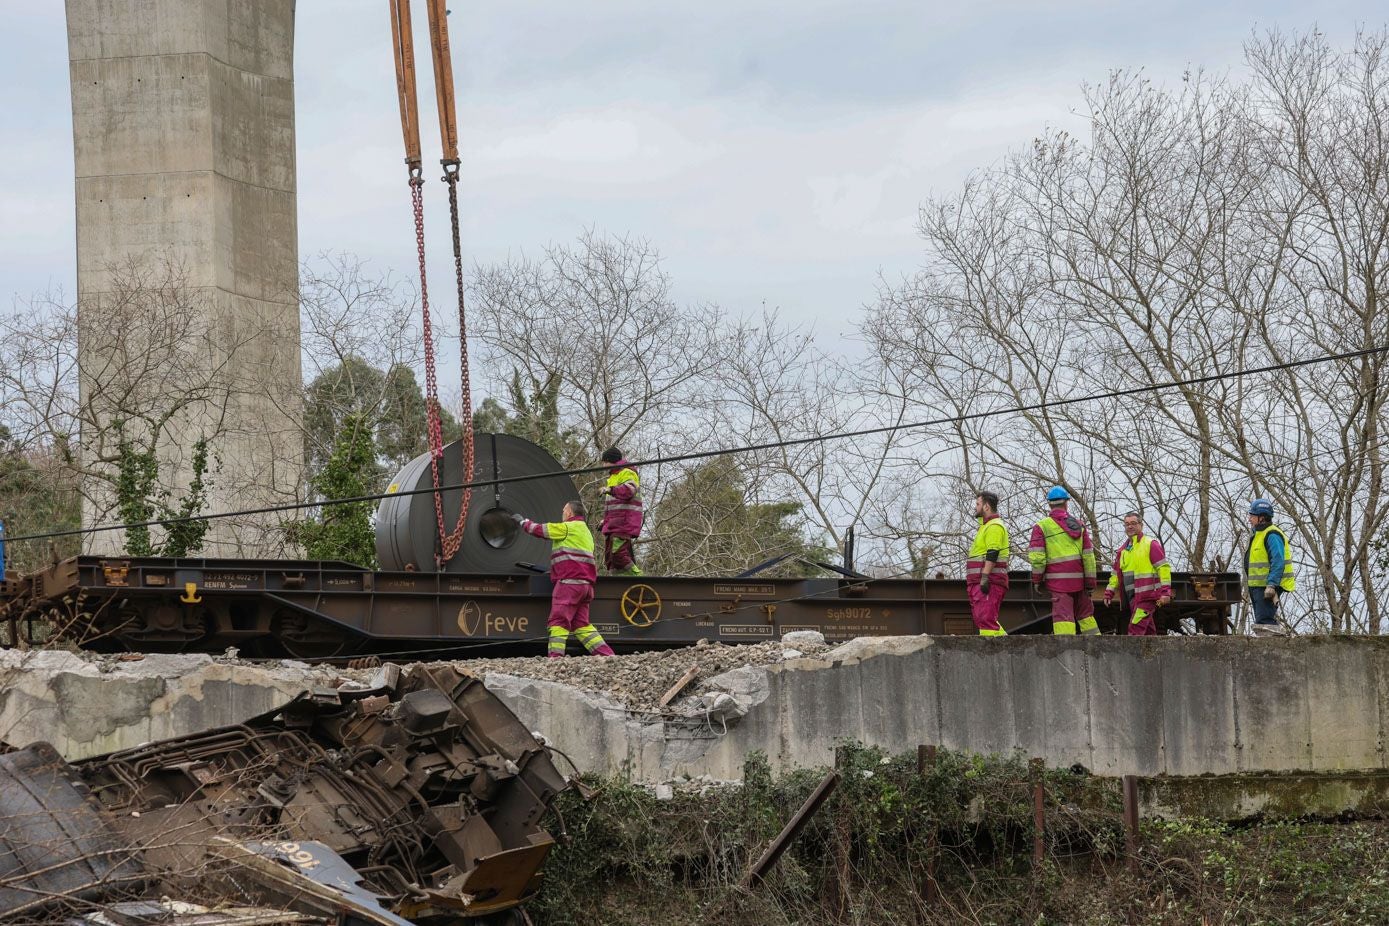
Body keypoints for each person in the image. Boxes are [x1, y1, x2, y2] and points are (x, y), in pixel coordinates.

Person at [513, 500, 615, 657]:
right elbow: (575, 558)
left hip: (569, 585)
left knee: (558, 622)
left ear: (569, 513)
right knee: (582, 625)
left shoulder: (568, 528)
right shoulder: (586, 532)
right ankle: (608, 656)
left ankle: (555, 659)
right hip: (585, 586)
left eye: (563, 511)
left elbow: (540, 530)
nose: (562, 514)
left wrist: (522, 522)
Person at [1028, 485, 1099, 635]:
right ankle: (1098, 649)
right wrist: (1090, 583)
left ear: (1049, 504)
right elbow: (1089, 557)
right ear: (1066, 503)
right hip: (1080, 582)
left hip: (1058, 583)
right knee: (1086, 617)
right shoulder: (1079, 526)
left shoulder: (1041, 527)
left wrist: (1036, 580)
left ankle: (1067, 651)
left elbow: (1038, 559)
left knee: (1063, 618)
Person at [1103, 510, 1172, 636]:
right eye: (1127, 524)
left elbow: (1163, 568)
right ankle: (1155, 654)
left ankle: (1130, 656)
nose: (1130, 526)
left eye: (1133, 523)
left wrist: (1166, 592)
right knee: (1148, 632)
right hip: (1132, 598)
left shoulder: (1150, 544)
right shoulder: (1122, 551)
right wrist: (1109, 592)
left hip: (1147, 596)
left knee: (1135, 629)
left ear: (1141, 525)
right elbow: (1115, 574)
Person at [1246, 497, 1294, 636]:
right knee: (1262, 624)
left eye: (1252, 516)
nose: (1250, 519)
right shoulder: (1258, 534)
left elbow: (1278, 560)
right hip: (1258, 586)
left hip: (1266, 586)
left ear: (1262, 517)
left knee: (1265, 623)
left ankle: (1275, 648)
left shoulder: (1272, 534)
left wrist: (1272, 585)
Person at [966, 491, 1009, 637]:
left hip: (989, 581)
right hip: (979, 581)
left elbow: (993, 552)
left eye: (978, 504)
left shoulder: (994, 527)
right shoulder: (986, 526)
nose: (975, 507)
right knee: (984, 619)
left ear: (986, 507)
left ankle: (993, 654)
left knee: (986, 619)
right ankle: (1006, 646)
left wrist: (985, 576)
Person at [599, 447, 644, 576]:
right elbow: (614, 506)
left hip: (624, 522)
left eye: (604, 462)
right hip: (615, 522)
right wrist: (605, 521)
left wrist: (610, 490)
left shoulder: (627, 472)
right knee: (610, 557)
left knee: (617, 552)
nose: (603, 465)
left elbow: (629, 491)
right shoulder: (613, 476)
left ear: (610, 461)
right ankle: (619, 581)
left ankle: (638, 576)